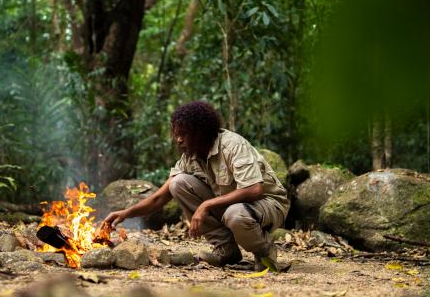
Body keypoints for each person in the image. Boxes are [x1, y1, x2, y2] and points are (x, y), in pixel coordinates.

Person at [103, 101, 290, 271]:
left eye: (184, 134)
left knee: (235, 214)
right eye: (176, 134)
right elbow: (160, 197)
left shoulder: (232, 145)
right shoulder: (191, 157)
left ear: (201, 132)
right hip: (235, 207)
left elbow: (254, 190)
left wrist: (206, 205)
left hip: (269, 204)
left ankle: (265, 252)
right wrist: (125, 213)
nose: (178, 140)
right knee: (178, 183)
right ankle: (226, 249)